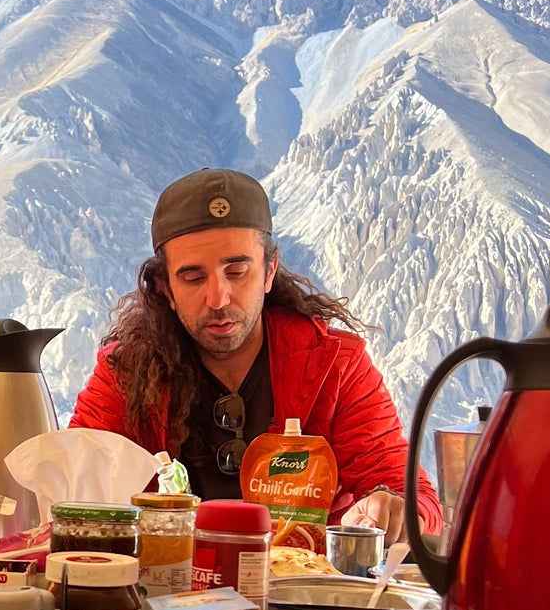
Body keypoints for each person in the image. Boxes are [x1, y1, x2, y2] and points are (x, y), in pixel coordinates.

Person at [70, 168, 440, 540]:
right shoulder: (127, 371)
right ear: (166, 289)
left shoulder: (334, 365)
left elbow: (409, 494)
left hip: (300, 583)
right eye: (193, 278)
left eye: (237, 271)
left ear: (269, 271)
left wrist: (392, 508)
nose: (218, 299)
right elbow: (75, 485)